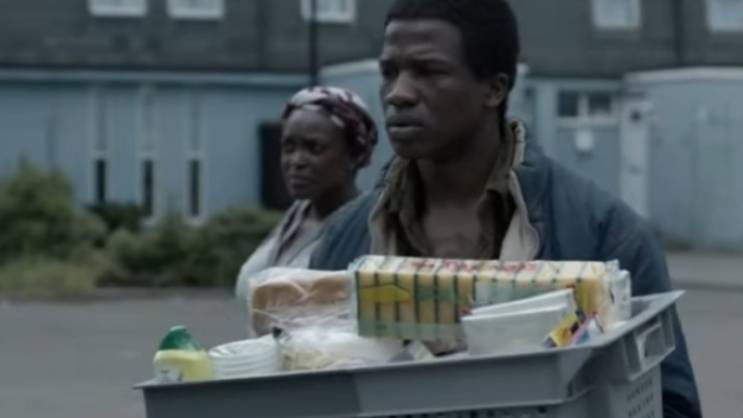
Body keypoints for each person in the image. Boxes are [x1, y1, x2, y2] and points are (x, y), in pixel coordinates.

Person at [310, 1, 702, 417]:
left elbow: (669, 404)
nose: (398, 93)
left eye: (428, 71)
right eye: (390, 72)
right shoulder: (343, 239)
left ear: (494, 89)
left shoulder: (606, 236)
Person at [234, 86, 378, 301]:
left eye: (314, 148)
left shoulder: (364, 233)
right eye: (288, 147)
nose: (296, 161)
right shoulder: (296, 216)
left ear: (353, 155)